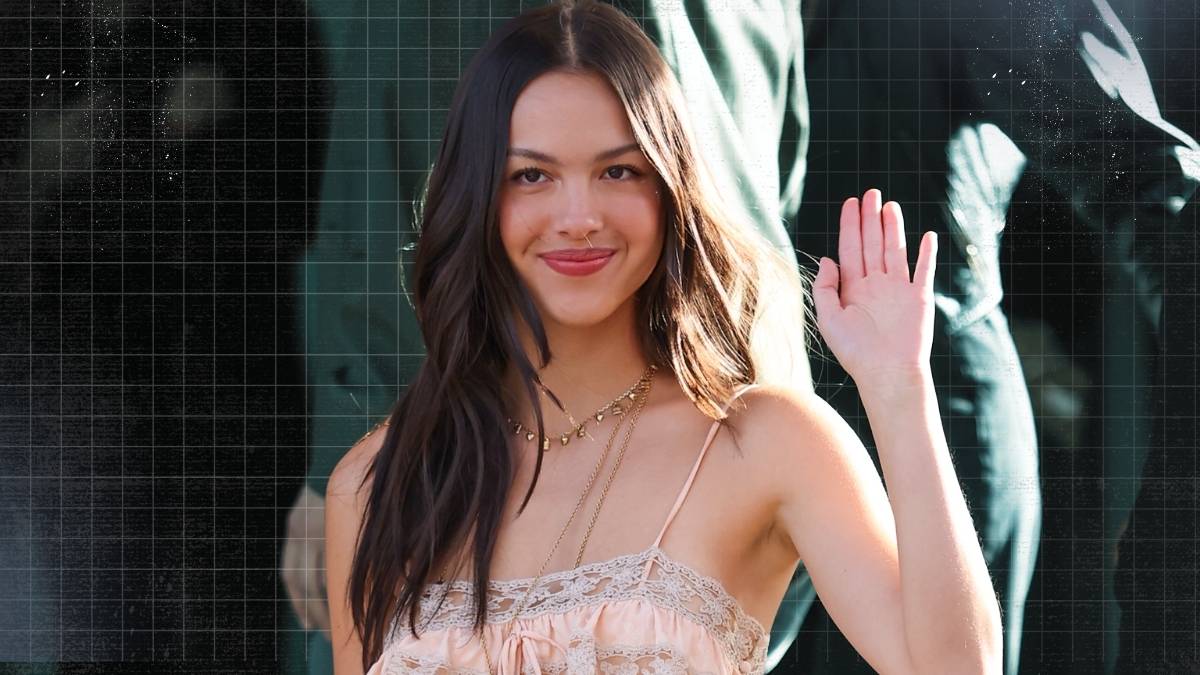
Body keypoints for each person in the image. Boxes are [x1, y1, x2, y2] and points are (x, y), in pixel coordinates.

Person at [323, 2, 1001, 674]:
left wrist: (898, 388)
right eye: (532, 175)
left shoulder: (765, 441)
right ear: (476, 197)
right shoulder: (375, 485)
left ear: (671, 189)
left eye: (619, 171)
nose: (579, 216)